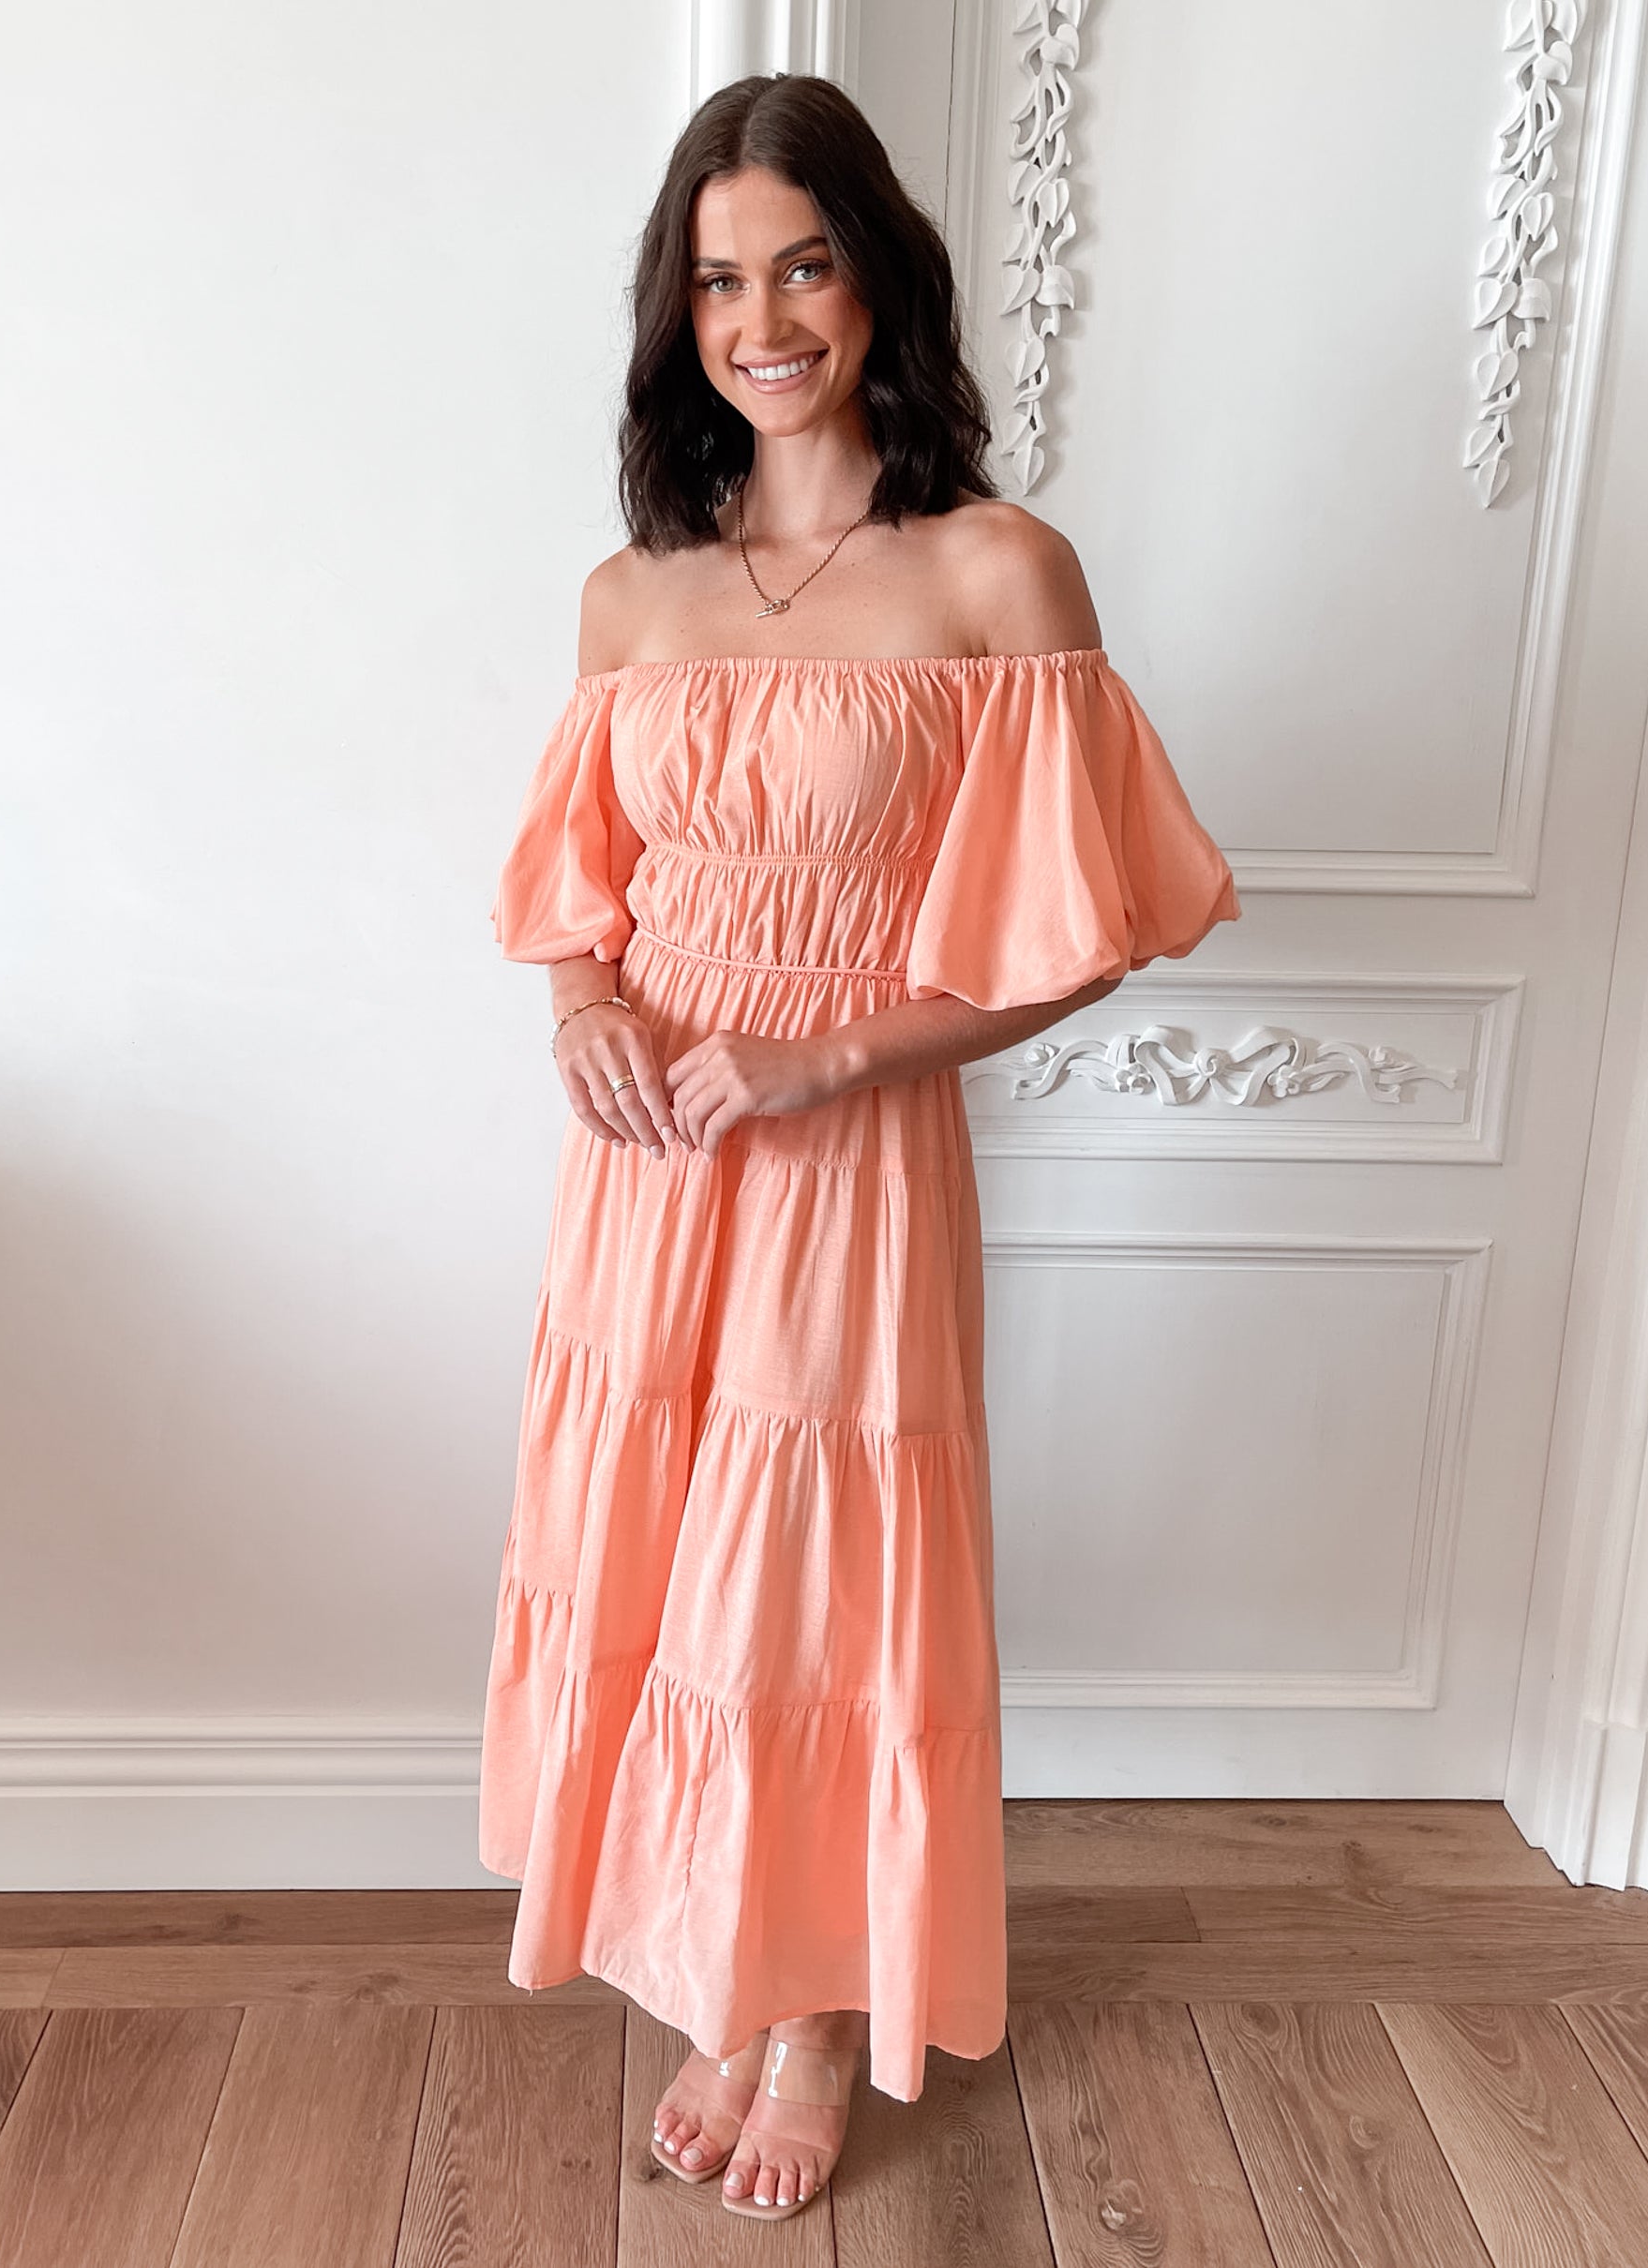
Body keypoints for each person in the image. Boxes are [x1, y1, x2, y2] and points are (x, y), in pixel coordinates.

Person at [479, 71, 1240, 2223]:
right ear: (678, 317)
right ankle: (719, 1964)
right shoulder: (636, 597)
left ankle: (809, 2009)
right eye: (715, 278)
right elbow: (578, 910)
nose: (760, 316)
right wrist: (591, 1012)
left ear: (874, 273)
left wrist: (822, 1065)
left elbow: (1084, 938)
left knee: (805, 1586)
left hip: (838, 1164)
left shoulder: (993, 571)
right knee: (663, 1555)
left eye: (797, 260)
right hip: (645, 1173)